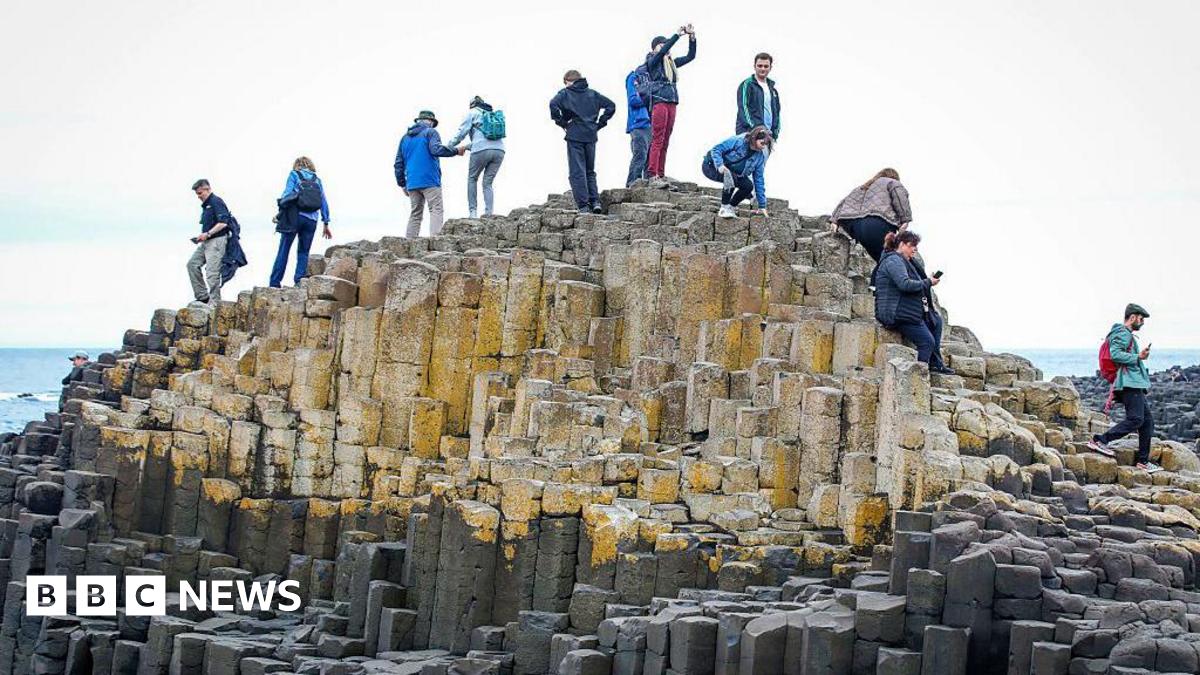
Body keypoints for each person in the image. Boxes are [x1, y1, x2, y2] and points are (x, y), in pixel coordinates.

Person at [1088, 304, 1159, 472]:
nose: (1142, 323)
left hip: (1134, 382)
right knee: (1136, 419)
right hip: (1129, 383)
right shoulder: (1122, 333)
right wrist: (1138, 356)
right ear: (1132, 317)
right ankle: (1100, 440)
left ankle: (1143, 461)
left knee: (1147, 422)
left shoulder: (1127, 335)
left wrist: (1138, 356)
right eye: (1141, 319)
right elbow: (1116, 354)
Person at [872, 230, 953, 374]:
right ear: (902, 244)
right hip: (896, 312)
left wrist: (927, 280)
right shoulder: (893, 260)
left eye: (916, 246)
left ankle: (935, 363)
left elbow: (915, 282)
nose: (914, 249)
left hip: (907, 310)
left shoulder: (905, 262)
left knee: (936, 321)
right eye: (912, 245)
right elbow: (905, 284)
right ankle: (918, 377)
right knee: (927, 342)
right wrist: (928, 282)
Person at [549, 70, 616, 214]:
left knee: (577, 170)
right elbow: (611, 106)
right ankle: (595, 201)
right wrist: (599, 124)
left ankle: (583, 205)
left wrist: (562, 123)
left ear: (569, 81)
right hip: (591, 134)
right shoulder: (593, 94)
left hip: (574, 134)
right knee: (590, 171)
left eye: (565, 83)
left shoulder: (565, 93)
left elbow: (552, 104)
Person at [395, 110, 466, 238]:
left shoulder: (404, 138)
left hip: (412, 182)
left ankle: (409, 243)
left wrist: (403, 184)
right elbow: (436, 149)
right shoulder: (430, 132)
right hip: (430, 180)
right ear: (430, 122)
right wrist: (456, 151)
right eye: (433, 123)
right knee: (435, 209)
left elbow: (398, 164)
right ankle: (436, 241)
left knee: (415, 214)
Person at [644, 24, 697, 178]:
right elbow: (661, 53)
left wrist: (692, 38)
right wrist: (677, 35)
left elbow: (690, 56)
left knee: (666, 139)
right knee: (658, 138)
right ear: (655, 48)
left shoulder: (671, 63)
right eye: (663, 44)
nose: (666, 47)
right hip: (659, 101)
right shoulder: (652, 61)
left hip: (672, 101)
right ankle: (652, 172)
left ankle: (661, 173)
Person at [271, 157, 332, 288]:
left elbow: (287, 194)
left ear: (297, 165)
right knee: (304, 251)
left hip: (295, 217)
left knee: (284, 249)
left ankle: (275, 283)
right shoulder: (317, 180)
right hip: (312, 221)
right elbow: (323, 202)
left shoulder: (294, 174)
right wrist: (326, 223)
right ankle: (299, 280)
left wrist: (280, 214)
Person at [831, 168, 913, 263]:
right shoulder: (892, 182)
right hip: (877, 223)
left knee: (883, 260)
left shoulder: (861, 188)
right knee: (897, 260)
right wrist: (905, 219)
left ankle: (880, 277)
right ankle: (921, 278)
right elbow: (900, 198)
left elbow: (843, 203)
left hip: (855, 228)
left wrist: (834, 221)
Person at [448, 96, 506, 218]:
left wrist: (449, 146)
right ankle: (489, 213)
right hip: (499, 150)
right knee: (487, 183)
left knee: (472, 178)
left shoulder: (472, 113)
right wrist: (467, 147)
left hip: (480, 150)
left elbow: (461, 133)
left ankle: (473, 212)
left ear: (472, 105)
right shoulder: (491, 114)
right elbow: (485, 139)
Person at [701, 126, 772, 218]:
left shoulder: (760, 157)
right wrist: (720, 165)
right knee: (730, 176)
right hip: (711, 166)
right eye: (762, 143)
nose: (763, 147)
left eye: (766, 144)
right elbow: (716, 149)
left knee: (748, 186)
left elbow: (759, 179)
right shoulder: (738, 141)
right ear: (755, 138)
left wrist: (762, 205)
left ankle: (731, 207)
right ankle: (724, 208)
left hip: (733, 172)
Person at [187, 179, 234, 304]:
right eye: (197, 194)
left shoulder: (216, 202)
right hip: (206, 242)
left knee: (212, 273)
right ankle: (202, 296)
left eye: (200, 193)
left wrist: (208, 234)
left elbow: (223, 223)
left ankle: (214, 303)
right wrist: (202, 237)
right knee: (192, 264)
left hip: (217, 241)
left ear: (207, 189)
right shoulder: (206, 206)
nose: (198, 196)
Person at [735, 53, 781, 141]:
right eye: (760, 66)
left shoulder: (773, 90)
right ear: (754, 66)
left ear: (770, 67)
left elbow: (777, 113)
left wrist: (775, 133)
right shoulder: (747, 85)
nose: (762, 68)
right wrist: (757, 129)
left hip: (767, 137)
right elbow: (744, 109)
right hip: (749, 135)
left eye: (766, 66)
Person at [624, 65, 652, 186]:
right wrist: (649, 98)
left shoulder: (654, 78)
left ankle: (647, 183)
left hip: (651, 123)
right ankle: (632, 183)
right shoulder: (634, 77)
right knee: (640, 154)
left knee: (649, 157)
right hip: (639, 123)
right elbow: (633, 100)